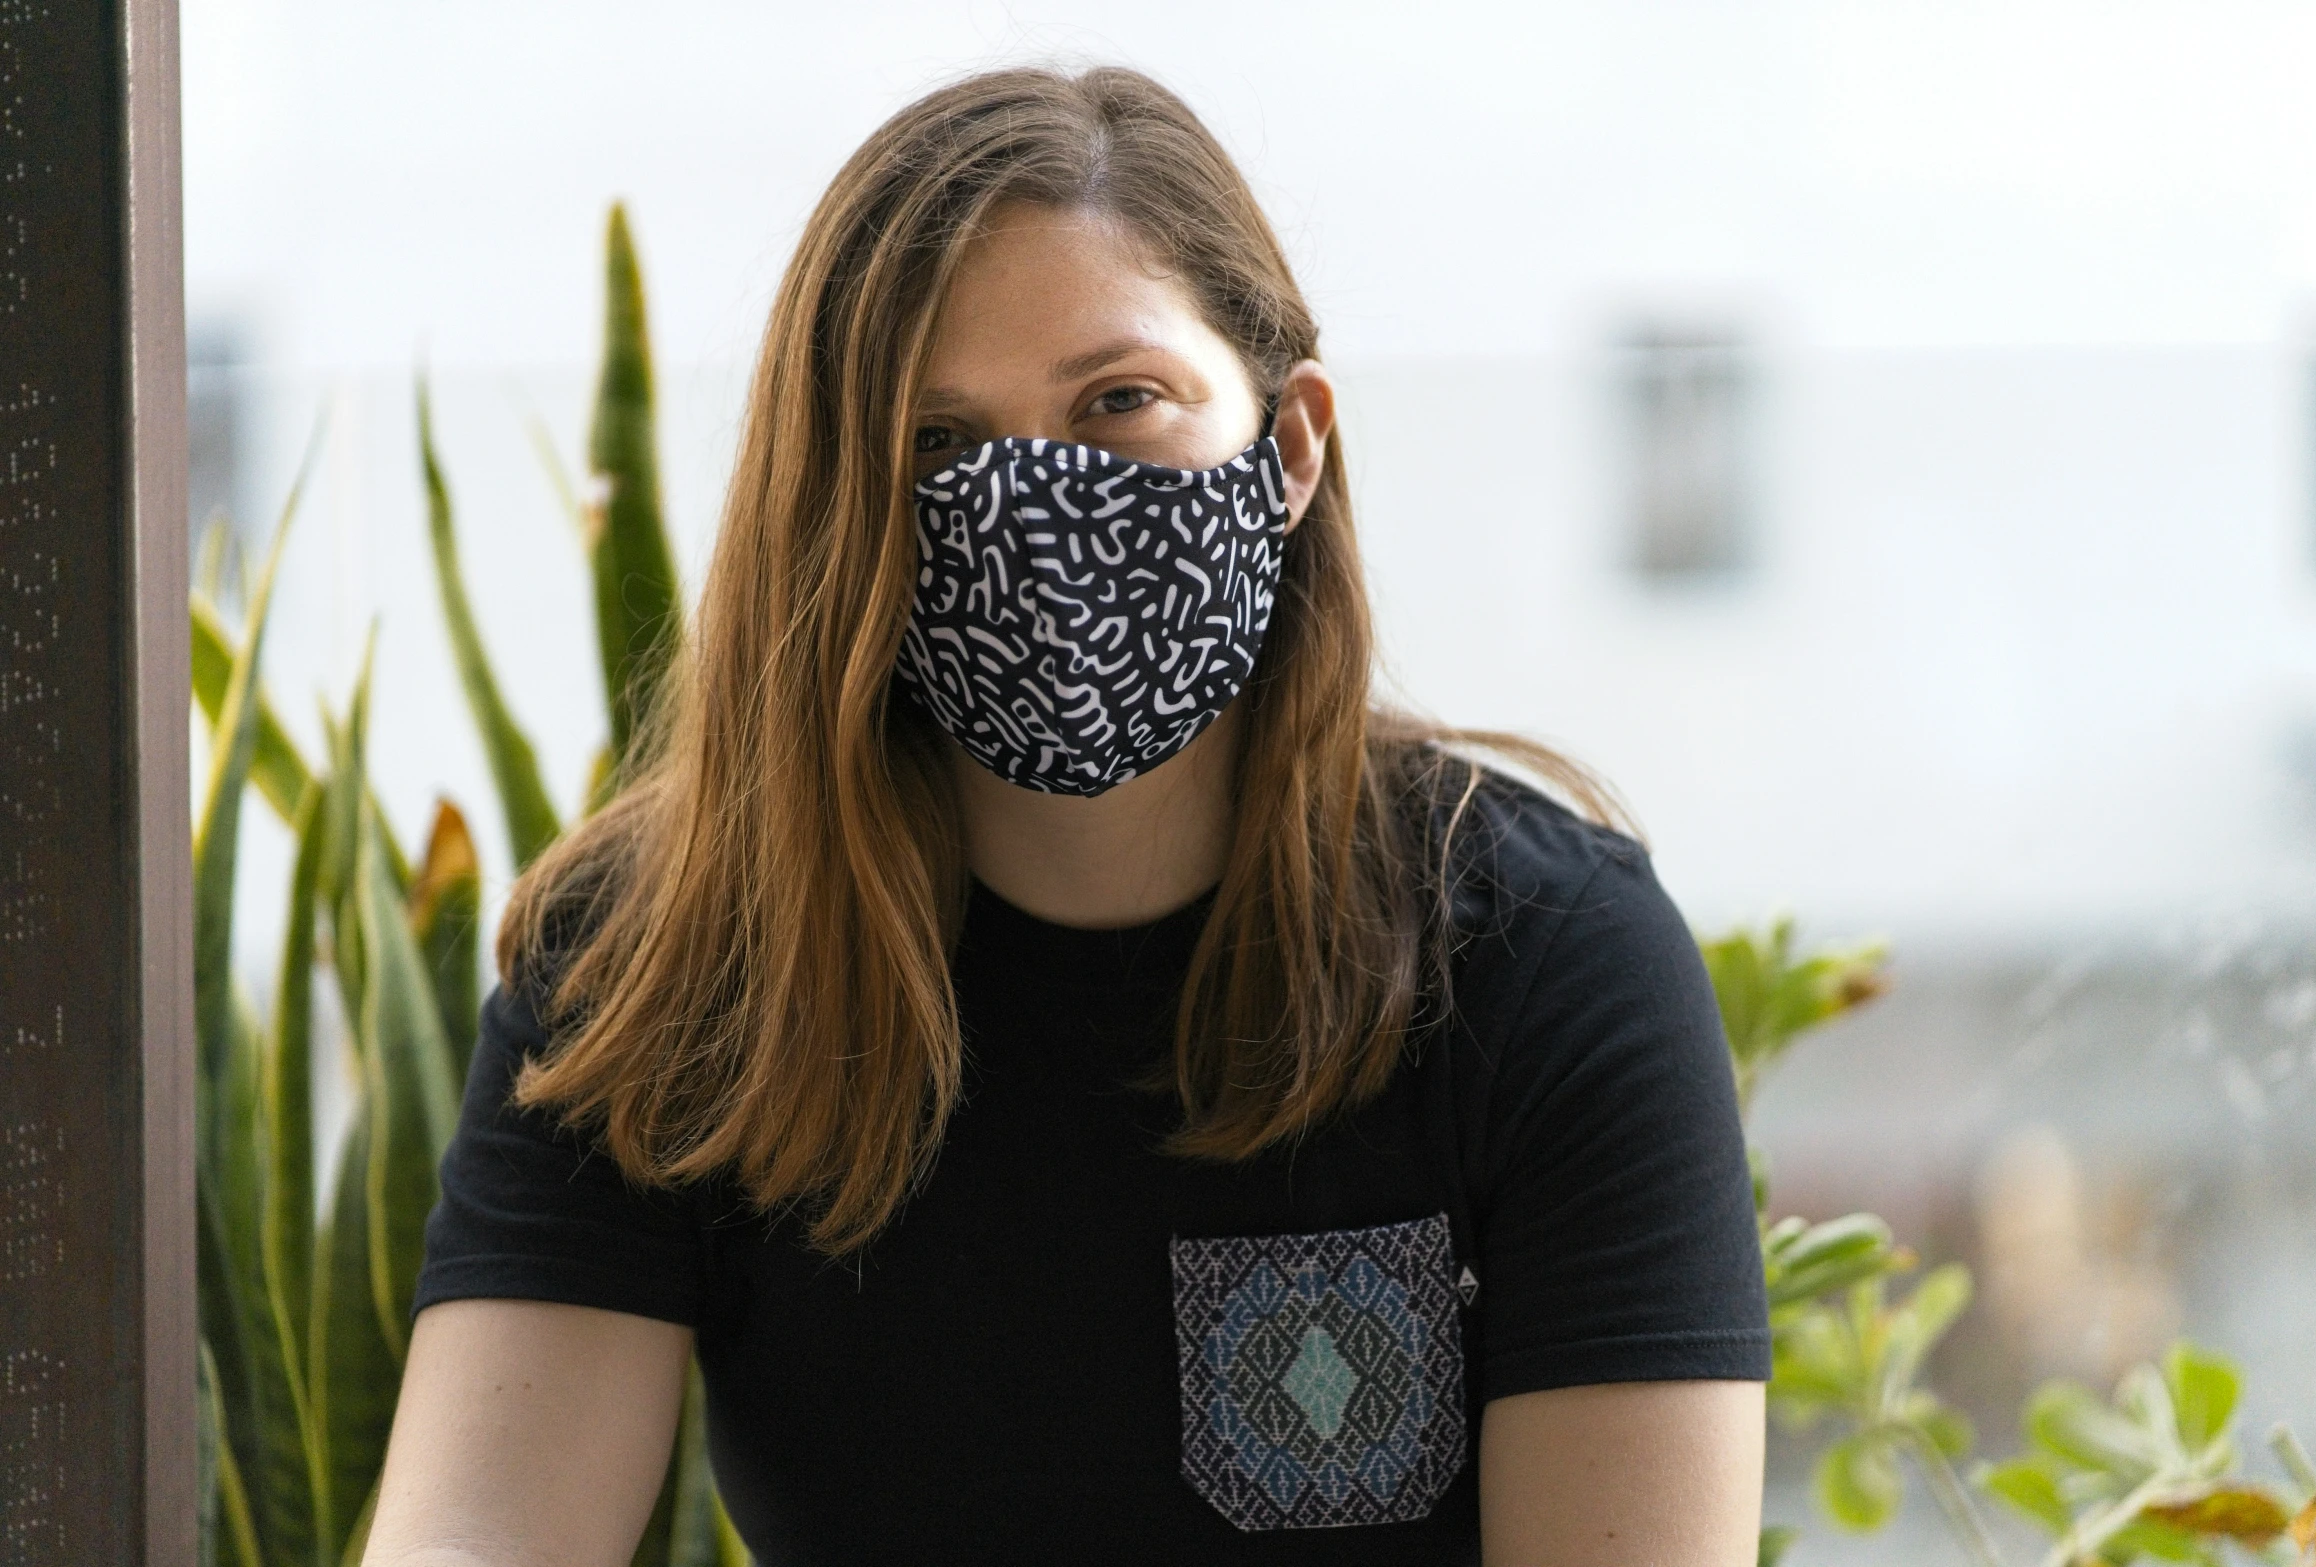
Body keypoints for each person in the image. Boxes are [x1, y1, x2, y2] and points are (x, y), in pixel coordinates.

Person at [366, 65, 1768, 1567]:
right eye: (940, 449)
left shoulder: (1547, 962)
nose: (1031, 510)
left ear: (1288, 446)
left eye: (1119, 402)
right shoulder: (666, 969)